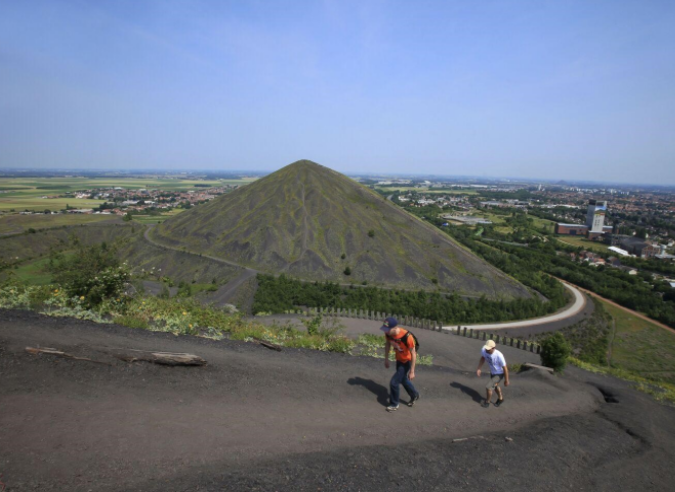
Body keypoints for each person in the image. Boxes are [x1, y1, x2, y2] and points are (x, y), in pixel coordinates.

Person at [382, 317, 420, 412]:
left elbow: (413, 353)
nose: (386, 331)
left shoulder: (407, 336)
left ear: (394, 328)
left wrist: (412, 371)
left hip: (406, 362)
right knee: (403, 380)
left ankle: (394, 404)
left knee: (394, 382)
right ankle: (414, 394)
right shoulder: (388, 334)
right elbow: (387, 345)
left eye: (388, 329)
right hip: (399, 360)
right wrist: (386, 359)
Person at [476, 339, 509, 408]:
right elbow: (483, 358)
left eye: (489, 349)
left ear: (494, 348)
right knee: (495, 386)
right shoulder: (484, 350)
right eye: (486, 348)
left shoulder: (499, 355)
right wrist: (479, 368)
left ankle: (487, 402)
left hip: (499, 374)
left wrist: (506, 380)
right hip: (493, 372)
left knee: (489, 387)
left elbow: (505, 368)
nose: (487, 350)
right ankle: (500, 399)